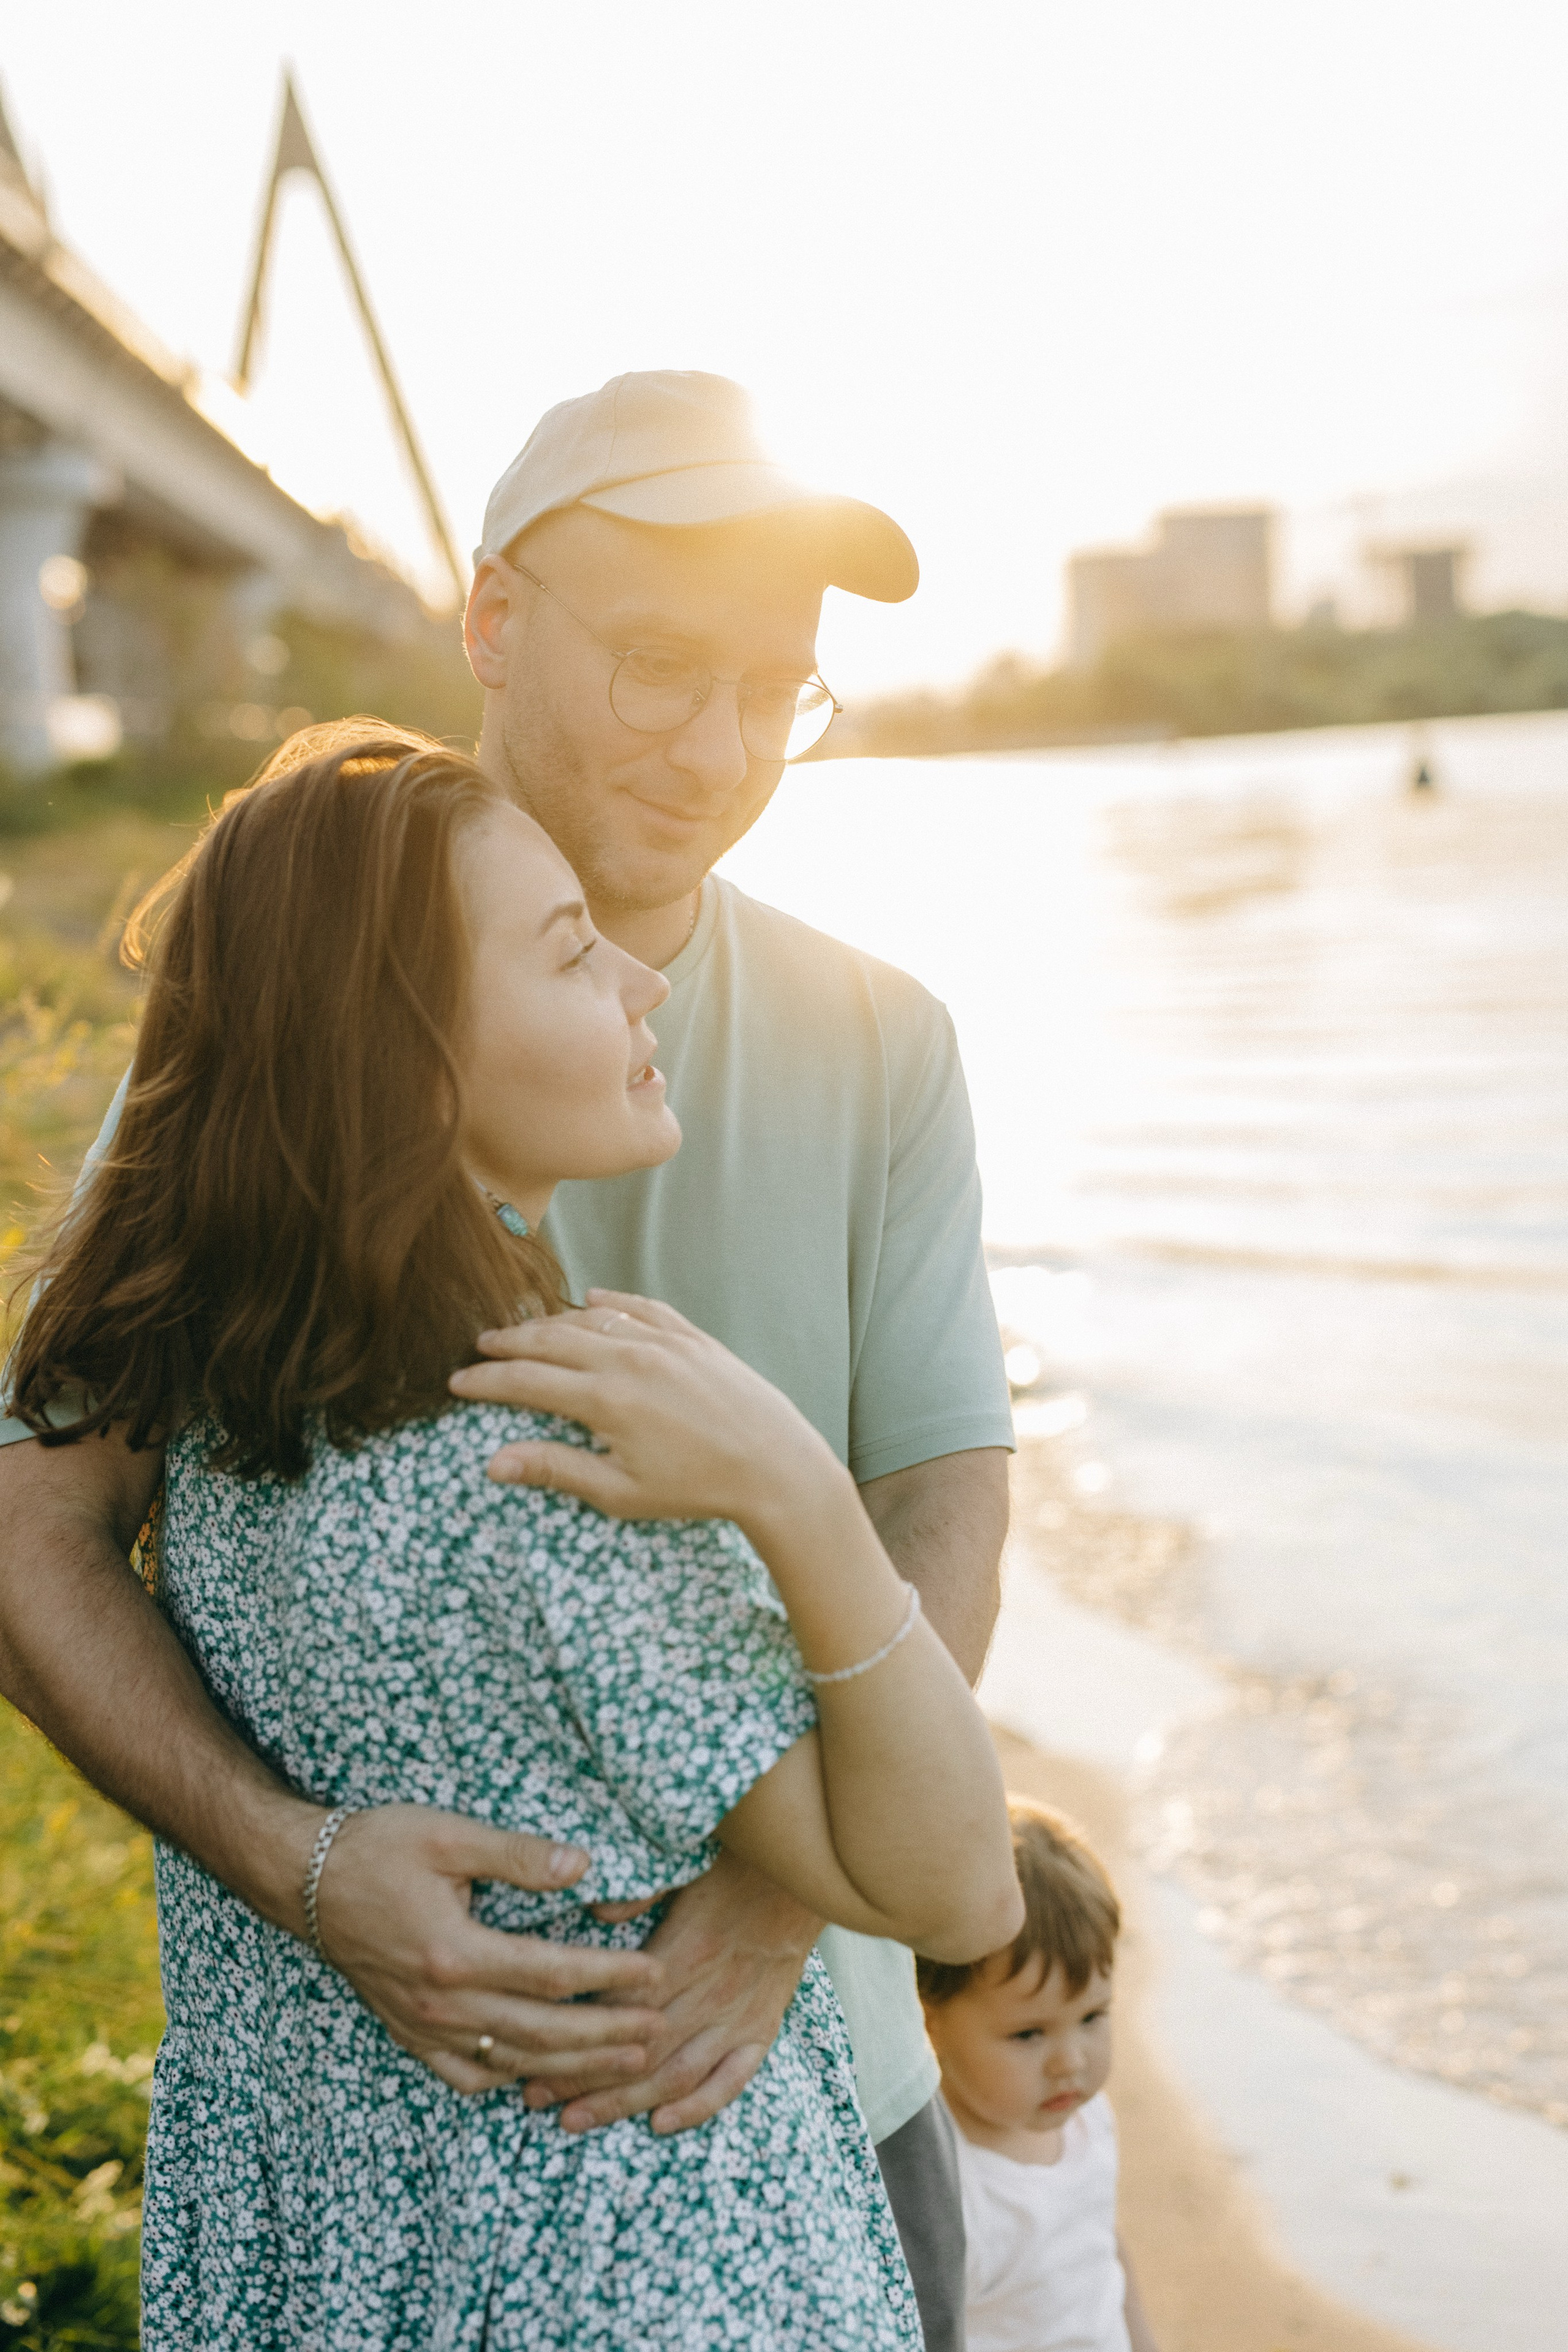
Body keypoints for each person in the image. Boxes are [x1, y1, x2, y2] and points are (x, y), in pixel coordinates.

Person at [0, 370, 1016, 2344]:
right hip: (376, 2157)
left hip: (799, 2092)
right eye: (654, 668)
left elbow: (943, 1489)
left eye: (774, 688)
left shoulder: (886, 1033)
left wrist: (783, 1889)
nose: (716, 749)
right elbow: (40, 1516)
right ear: (490, 622)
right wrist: (301, 1865)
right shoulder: (299, 1007)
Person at [918, 1800, 1161, 2352]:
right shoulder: (950, 2189)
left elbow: (1102, 2255)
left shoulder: (1086, 2118)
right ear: (929, 2019)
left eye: (1092, 2018)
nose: (1070, 2062)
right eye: (1029, 2034)